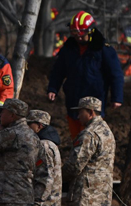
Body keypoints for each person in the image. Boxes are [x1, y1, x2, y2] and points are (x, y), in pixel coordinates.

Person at [47, 11, 124, 139]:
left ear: (90, 31)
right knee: (76, 138)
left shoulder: (103, 49)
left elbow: (115, 74)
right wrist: (53, 88)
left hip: (94, 104)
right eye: (75, 35)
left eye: (82, 35)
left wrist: (117, 97)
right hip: (73, 101)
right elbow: (58, 71)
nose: (79, 38)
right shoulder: (68, 49)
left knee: (90, 139)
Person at [62, 97, 115, 206]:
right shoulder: (106, 131)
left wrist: (58, 177)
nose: (78, 116)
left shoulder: (89, 134)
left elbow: (75, 165)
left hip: (86, 197)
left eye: (81, 112)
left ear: (90, 112)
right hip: (100, 197)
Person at [27, 110, 62, 206]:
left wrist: (36, 204)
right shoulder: (48, 144)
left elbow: (46, 178)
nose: (27, 128)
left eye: (29, 124)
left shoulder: (44, 146)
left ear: (39, 126)